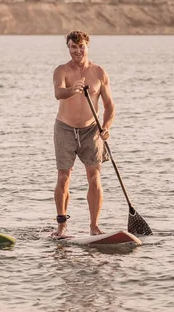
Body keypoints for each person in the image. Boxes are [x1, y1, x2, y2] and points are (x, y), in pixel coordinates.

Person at [52, 30, 115, 236]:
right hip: (65, 128)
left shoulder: (98, 72)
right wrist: (74, 89)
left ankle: (94, 226)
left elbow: (109, 106)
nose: (78, 51)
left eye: (81, 47)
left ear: (87, 46)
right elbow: (58, 93)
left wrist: (106, 127)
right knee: (63, 177)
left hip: (91, 130)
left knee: (95, 177)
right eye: (73, 47)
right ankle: (62, 226)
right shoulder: (61, 70)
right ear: (68, 48)